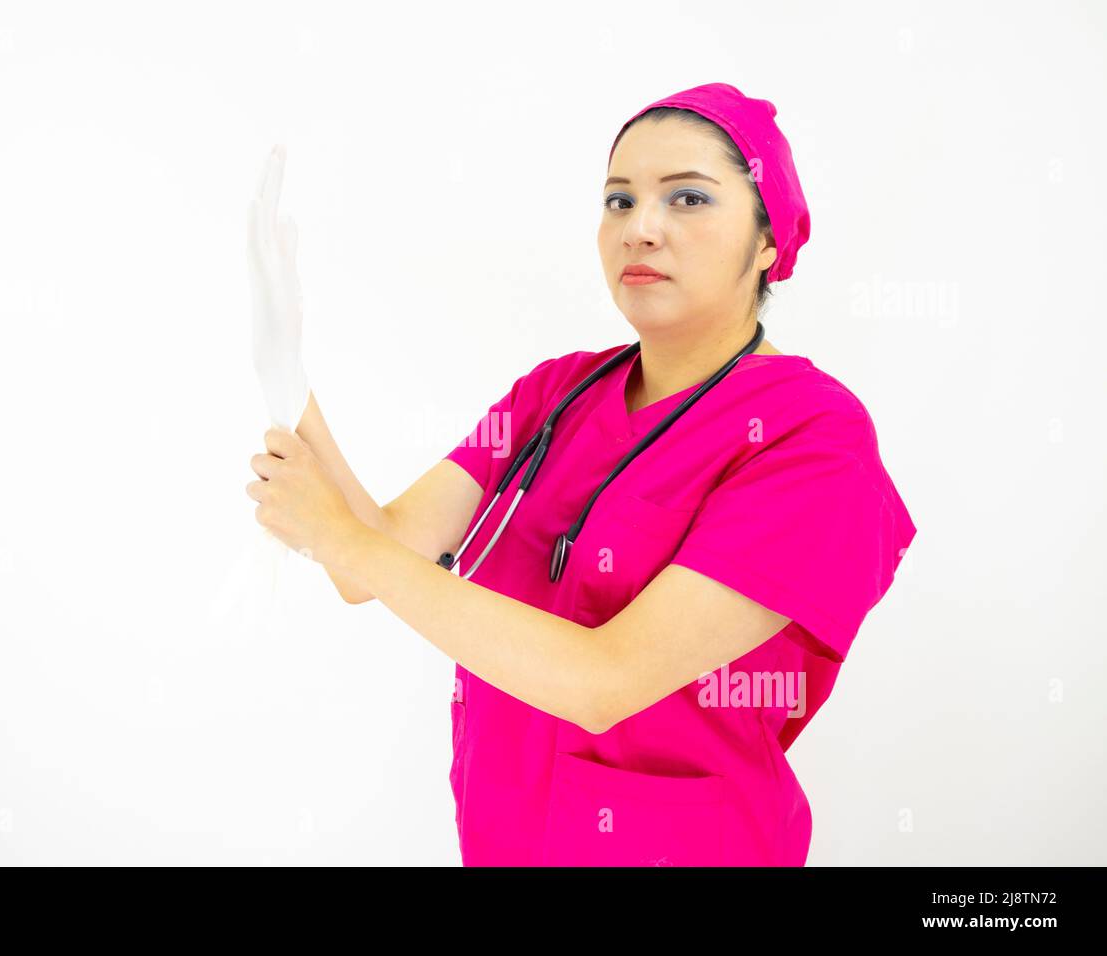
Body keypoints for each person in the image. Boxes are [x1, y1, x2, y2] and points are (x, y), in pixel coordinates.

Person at [245, 83, 917, 866]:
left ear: (768, 241)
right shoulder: (554, 393)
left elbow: (607, 680)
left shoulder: (813, 436)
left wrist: (348, 546)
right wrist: (289, 378)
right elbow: (380, 554)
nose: (643, 229)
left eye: (689, 199)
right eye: (619, 201)